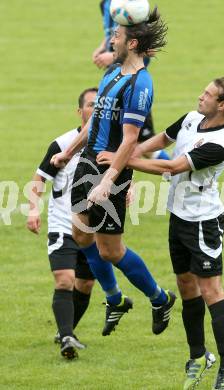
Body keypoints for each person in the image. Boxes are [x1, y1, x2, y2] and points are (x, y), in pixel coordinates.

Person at [97, 77, 224, 389]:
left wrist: (121, 161)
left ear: (222, 105)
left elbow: (174, 167)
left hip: (204, 223)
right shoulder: (193, 118)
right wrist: (128, 157)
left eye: (207, 94)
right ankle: (198, 355)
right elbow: (162, 140)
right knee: (185, 285)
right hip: (178, 217)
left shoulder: (219, 144)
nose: (200, 96)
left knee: (211, 290)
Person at [51, 8, 176, 337]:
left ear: (131, 42)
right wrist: (68, 152)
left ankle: (159, 298)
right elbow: (93, 121)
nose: (111, 39)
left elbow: (132, 139)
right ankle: (116, 298)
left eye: (117, 37)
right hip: (87, 163)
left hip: (111, 171)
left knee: (110, 250)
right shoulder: (112, 73)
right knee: (80, 236)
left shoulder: (140, 84)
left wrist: (109, 182)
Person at [26, 87, 125, 360]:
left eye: (99, 106)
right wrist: (33, 210)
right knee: (65, 280)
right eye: (90, 105)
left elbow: (122, 167)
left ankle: (66, 331)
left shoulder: (109, 144)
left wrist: (128, 188)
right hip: (62, 224)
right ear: (80, 111)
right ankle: (68, 337)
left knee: (84, 285)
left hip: (92, 228)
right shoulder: (62, 143)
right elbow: (39, 178)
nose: (95, 110)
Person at [92, 0, 170, 160]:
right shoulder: (106, 5)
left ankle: (176, 173)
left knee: (135, 144)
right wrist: (103, 46)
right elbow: (111, 32)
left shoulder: (134, 7)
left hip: (130, 83)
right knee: (122, 142)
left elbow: (151, 48)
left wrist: (111, 56)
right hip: (115, 78)